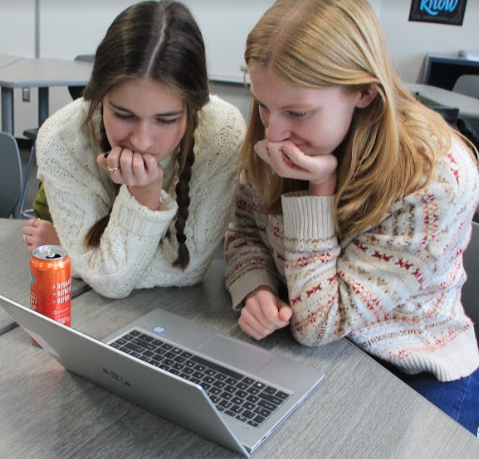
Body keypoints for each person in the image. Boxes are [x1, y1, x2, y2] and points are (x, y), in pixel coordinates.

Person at [224, 0, 479, 435]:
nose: (273, 133)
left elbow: (319, 323)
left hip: (410, 366)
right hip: (307, 345)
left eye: (298, 113)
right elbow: (247, 229)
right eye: (263, 104)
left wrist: (318, 191)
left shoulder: (437, 175)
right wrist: (255, 286)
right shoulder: (277, 128)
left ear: (364, 93)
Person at [21, 1, 245, 298]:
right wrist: (98, 262)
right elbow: (112, 279)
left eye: (166, 120)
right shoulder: (61, 139)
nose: (142, 141)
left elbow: (185, 268)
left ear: (193, 108)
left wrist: (73, 255)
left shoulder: (223, 133)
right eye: (124, 115)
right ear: (100, 96)